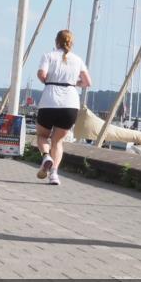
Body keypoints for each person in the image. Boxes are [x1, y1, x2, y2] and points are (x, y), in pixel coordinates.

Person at [35, 30, 91, 185]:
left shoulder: (49, 56)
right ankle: (54, 174)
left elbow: (41, 74)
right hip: (70, 103)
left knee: (42, 136)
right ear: (71, 43)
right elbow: (87, 82)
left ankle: (46, 156)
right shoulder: (78, 59)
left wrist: (48, 80)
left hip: (50, 100)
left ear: (56, 42)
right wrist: (74, 83)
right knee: (58, 141)